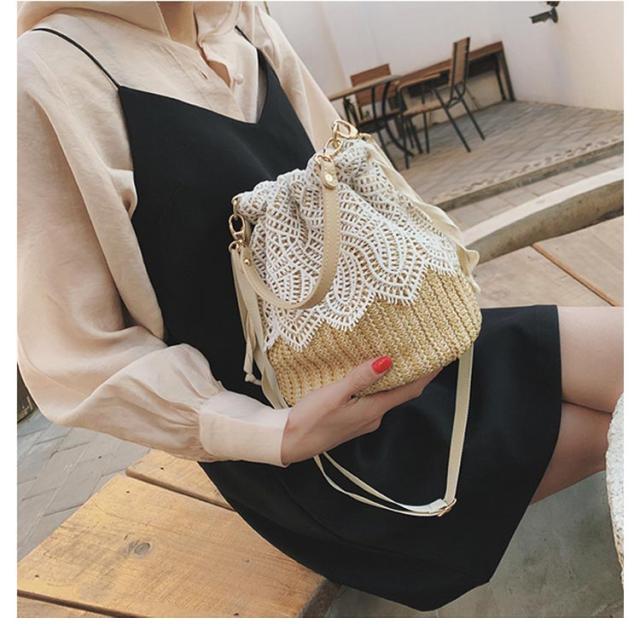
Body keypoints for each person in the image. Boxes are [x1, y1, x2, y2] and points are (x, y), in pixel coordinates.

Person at [17, 1, 623, 612]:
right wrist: (274, 433)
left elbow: (350, 170)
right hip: (316, 455)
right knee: (616, 437)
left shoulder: (241, 18)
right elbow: (73, 353)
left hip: (397, 347)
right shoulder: (50, 73)